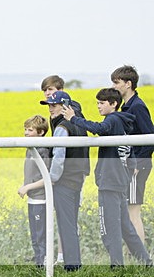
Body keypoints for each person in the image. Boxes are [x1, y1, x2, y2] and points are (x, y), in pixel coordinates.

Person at [63, 88, 152, 267]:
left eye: (102, 103)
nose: (98, 106)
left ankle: (117, 267)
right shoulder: (122, 123)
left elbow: (98, 128)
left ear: (113, 104)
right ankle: (146, 263)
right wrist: (130, 169)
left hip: (110, 183)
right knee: (126, 229)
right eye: (97, 103)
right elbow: (130, 153)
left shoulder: (112, 120)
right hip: (119, 182)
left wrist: (74, 118)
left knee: (108, 230)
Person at [40, 91, 90, 271]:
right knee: (70, 224)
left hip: (65, 182)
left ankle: (72, 267)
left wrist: (51, 179)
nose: (51, 109)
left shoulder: (62, 127)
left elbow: (59, 157)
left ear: (65, 106)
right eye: (49, 105)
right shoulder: (78, 124)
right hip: (77, 179)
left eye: (54, 105)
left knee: (66, 225)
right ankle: (74, 265)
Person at [111, 65, 154, 245]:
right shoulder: (127, 107)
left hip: (138, 166)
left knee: (133, 211)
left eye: (117, 83)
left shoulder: (137, 107)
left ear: (128, 84)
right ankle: (135, 255)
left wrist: (137, 163)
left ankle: (140, 258)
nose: (114, 87)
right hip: (132, 165)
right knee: (129, 211)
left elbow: (150, 137)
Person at [17, 115, 52, 267]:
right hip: (32, 198)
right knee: (35, 235)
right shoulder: (30, 149)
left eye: (30, 130)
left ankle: (43, 264)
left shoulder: (43, 151)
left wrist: (27, 187)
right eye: (25, 129)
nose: (26, 133)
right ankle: (38, 262)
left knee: (40, 235)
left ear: (41, 132)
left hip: (40, 199)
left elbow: (47, 177)